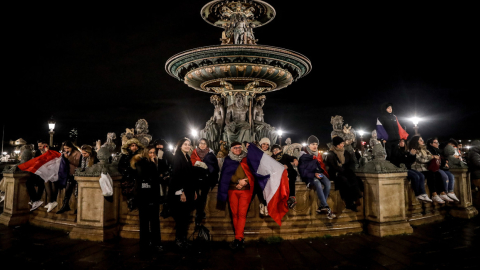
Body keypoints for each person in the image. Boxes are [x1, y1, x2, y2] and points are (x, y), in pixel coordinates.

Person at [217, 141, 255, 249]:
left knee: (242, 214)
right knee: (235, 214)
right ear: (231, 149)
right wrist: (238, 181)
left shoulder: (247, 159)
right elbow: (226, 175)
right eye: (235, 148)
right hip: (232, 190)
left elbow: (253, 173)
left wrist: (246, 181)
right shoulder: (228, 160)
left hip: (245, 190)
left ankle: (238, 238)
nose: (237, 149)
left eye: (239, 147)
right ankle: (239, 238)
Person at [131, 145, 163, 251]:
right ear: (146, 153)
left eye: (154, 152)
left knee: (151, 221)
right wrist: (154, 166)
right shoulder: (145, 164)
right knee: (149, 221)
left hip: (148, 195)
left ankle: (148, 243)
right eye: (150, 152)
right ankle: (151, 243)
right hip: (146, 195)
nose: (153, 154)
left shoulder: (149, 163)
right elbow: (148, 179)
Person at [298, 136, 336, 219]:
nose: (315, 146)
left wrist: (320, 172)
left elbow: (320, 167)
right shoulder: (304, 156)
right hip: (311, 176)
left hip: (318, 174)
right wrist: (314, 174)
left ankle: (321, 206)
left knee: (328, 183)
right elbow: (302, 171)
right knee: (318, 184)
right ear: (308, 145)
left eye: (316, 144)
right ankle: (327, 207)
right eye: (312, 144)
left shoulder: (318, 155)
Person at [170, 138, 197, 249]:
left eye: (189, 144)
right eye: (185, 144)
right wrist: (181, 192)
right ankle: (179, 240)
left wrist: (194, 190)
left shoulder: (187, 157)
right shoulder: (178, 157)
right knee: (181, 218)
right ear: (180, 146)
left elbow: (190, 176)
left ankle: (183, 239)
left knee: (185, 217)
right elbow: (176, 176)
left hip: (189, 190)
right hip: (182, 191)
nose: (187, 146)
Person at [325, 136, 363, 212]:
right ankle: (351, 202)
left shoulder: (345, 152)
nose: (342, 145)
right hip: (336, 173)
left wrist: (348, 169)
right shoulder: (331, 153)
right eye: (340, 143)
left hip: (345, 171)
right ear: (336, 145)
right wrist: (343, 170)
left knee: (353, 177)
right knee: (345, 181)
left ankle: (355, 198)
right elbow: (333, 166)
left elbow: (351, 162)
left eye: (342, 143)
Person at [409, 136, 450, 204]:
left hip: (426, 168)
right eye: (420, 140)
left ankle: (442, 193)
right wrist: (431, 157)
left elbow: (431, 156)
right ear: (416, 141)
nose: (422, 141)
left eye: (422, 140)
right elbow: (421, 160)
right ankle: (434, 194)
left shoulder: (425, 149)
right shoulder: (414, 149)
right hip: (419, 168)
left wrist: (432, 157)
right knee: (431, 175)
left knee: (438, 174)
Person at [190, 138, 220, 226]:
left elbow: (215, 168)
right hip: (196, 178)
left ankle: (199, 215)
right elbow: (191, 163)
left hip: (207, 179)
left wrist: (207, 167)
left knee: (203, 197)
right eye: (201, 143)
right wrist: (197, 164)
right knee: (197, 196)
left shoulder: (211, 154)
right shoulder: (194, 152)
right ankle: (200, 213)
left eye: (204, 143)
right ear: (198, 144)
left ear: (207, 145)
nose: (202, 145)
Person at [118, 138, 144, 210]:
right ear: (129, 146)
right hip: (128, 178)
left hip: (138, 178)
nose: (134, 147)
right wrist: (126, 171)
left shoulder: (140, 156)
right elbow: (120, 167)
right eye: (132, 145)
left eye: (136, 145)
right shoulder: (124, 156)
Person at [56, 141, 82, 214]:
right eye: (65, 148)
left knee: (77, 192)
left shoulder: (77, 153)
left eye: (68, 148)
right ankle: (65, 205)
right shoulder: (66, 153)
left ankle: (78, 208)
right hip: (69, 174)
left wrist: (68, 158)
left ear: (71, 147)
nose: (66, 150)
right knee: (67, 190)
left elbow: (77, 163)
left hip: (76, 174)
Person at [271, 144, 298, 209]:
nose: (275, 152)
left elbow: (293, 158)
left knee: (291, 178)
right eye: (273, 151)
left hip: (290, 172)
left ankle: (292, 197)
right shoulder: (272, 158)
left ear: (280, 150)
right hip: (280, 174)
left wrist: (295, 160)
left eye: (277, 150)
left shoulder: (284, 156)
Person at [25, 140, 48, 211]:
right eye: (38, 146)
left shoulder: (51, 152)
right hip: (38, 172)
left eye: (40, 146)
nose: (39, 148)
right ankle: (35, 200)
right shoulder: (38, 152)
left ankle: (36, 200)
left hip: (47, 173)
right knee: (28, 182)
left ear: (45, 145)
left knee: (42, 181)